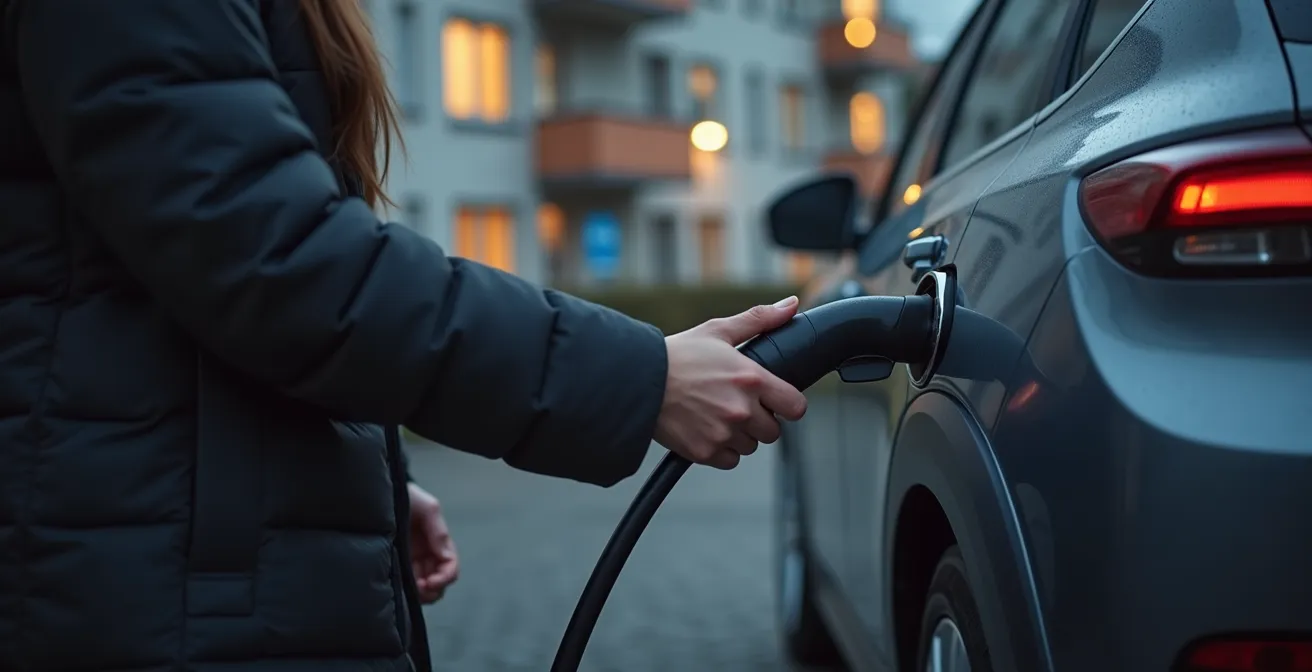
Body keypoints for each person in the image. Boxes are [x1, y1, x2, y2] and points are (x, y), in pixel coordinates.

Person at [0, 1, 809, 670]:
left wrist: (349, 472)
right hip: (158, 590)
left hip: (186, 559)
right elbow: (275, 257)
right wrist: (642, 378)